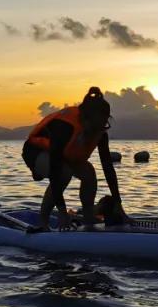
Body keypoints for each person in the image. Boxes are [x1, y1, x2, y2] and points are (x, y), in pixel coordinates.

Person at [22, 87, 128, 232]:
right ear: (84, 119)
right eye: (95, 126)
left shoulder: (100, 133)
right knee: (64, 172)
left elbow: (108, 167)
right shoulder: (64, 128)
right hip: (36, 152)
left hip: (65, 157)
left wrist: (118, 203)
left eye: (103, 125)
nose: (98, 130)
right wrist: (62, 210)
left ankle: (88, 217)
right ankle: (43, 223)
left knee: (89, 173)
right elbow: (55, 170)